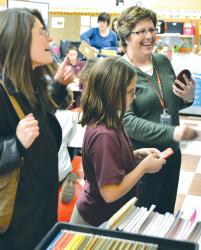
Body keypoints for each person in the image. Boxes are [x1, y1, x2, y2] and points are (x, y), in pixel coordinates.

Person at [0, 8, 74, 250]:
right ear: (18, 38)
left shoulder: (29, 82)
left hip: (40, 208)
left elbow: (34, 117)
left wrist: (59, 87)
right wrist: (16, 144)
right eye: (42, 32)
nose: (50, 38)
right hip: (16, 221)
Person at [117, 6, 198, 214]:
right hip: (142, 158)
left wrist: (187, 97)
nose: (149, 36)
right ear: (126, 36)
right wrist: (173, 132)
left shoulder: (162, 61)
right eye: (141, 31)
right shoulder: (119, 70)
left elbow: (170, 103)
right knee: (141, 220)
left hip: (171, 154)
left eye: (152, 30)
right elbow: (128, 122)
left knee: (165, 213)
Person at [70, 56, 166, 226]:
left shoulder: (109, 120)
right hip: (95, 221)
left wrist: (134, 156)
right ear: (112, 91)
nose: (134, 97)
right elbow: (110, 193)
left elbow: (108, 163)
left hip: (104, 216)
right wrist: (144, 167)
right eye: (130, 91)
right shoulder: (105, 135)